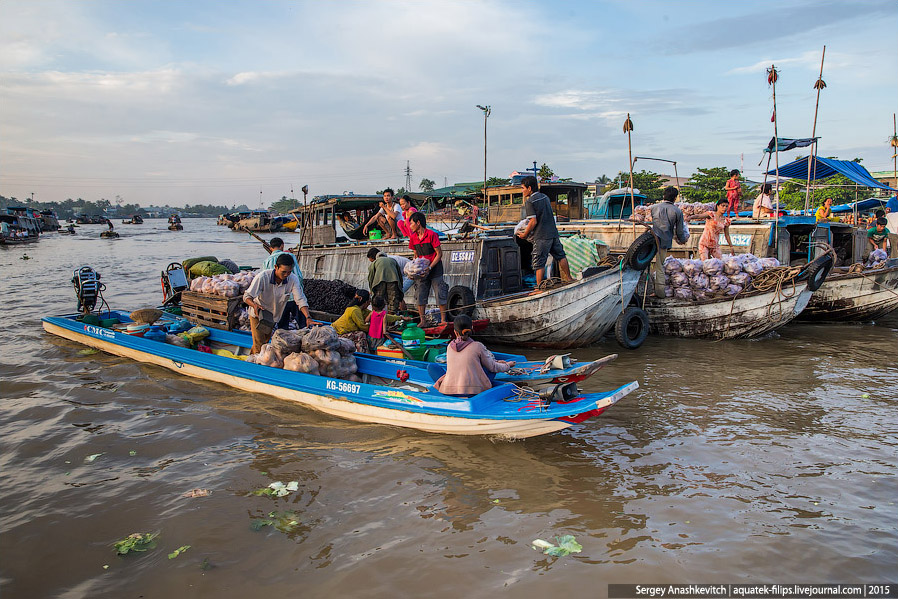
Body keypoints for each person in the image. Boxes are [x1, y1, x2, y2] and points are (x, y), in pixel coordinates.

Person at [243, 253, 313, 354]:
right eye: (283, 272)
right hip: (258, 314)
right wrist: (254, 305)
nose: (286, 275)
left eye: (289, 272)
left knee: (265, 342)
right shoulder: (262, 277)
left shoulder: (292, 279)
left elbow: (300, 299)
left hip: (273, 316)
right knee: (259, 344)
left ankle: (253, 360)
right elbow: (246, 296)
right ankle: (256, 366)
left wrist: (308, 317)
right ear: (276, 267)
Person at [433, 315, 515, 396]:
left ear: (455, 332)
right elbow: (493, 367)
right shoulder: (478, 346)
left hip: (448, 391)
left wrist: (496, 362)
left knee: (432, 367)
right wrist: (508, 365)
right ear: (471, 328)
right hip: (473, 392)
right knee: (490, 369)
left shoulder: (449, 347)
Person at [515, 175, 572, 286]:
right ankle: (569, 278)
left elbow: (533, 221)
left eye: (523, 188)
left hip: (541, 236)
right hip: (553, 233)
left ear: (529, 188)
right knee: (561, 256)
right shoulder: (545, 197)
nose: (522, 191)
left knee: (538, 262)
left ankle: (539, 288)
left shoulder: (530, 202)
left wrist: (524, 235)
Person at [407, 212, 449, 326]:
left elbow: (439, 254)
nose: (410, 226)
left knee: (440, 293)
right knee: (420, 294)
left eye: (411, 223)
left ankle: (443, 320)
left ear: (418, 223)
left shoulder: (431, 235)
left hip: (435, 268)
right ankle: (423, 320)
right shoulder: (413, 238)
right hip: (421, 270)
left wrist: (430, 267)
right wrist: (414, 268)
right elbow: (415, 255)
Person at [650, 186, 690, 297]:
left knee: (649, 265)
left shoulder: (654, 207)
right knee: (659, 267)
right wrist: (682, 240)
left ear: (664, 196)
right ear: (675, 198)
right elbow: (680, 231)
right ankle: (660, 294)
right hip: (664, 242)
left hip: (651, 240)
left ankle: (649, 290)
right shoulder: (677, 211)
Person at [263, 237, 304, 329]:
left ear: (270, 248)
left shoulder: (267, 261)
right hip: (294, 297)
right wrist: (301, 292)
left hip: (279, 299)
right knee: (303, 324)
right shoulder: (290, 256)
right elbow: (299, 276)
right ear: (282, 246)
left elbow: (267, 281)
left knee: (282, 325)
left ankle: (283, 341)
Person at [367, 248, 404, 313]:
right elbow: (399, 275)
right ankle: (392, 320)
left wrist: (371, 289)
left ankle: (378, 318)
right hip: (393, 282)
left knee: (378, 302)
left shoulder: (375, 262)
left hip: (379, 283)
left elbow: (370, 278)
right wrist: (400, 287)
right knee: (393, 302)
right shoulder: (393, 260)